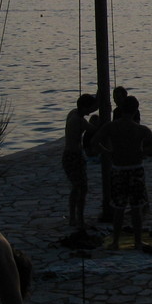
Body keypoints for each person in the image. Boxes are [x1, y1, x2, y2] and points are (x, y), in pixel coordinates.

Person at [89, 96, 152, 250]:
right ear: (136, 110)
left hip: (118, 169)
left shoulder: (111, 127)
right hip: (135, 169)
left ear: (121, 109)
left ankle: (115, 241)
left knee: (119, 208)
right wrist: (143, 152)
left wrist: (108, 153)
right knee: (136, 208)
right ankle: (137, 241)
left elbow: (94, 142)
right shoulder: (141, 129)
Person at [62, 93, 99, 230]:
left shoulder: (72, 113)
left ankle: (73, 218)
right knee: (82, 189)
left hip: (67, 156)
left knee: (75, 188)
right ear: (84, 107)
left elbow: (94, 105)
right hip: (74, 157)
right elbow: (96, 130)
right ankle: (81, 220)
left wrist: (98, 94)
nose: (90, 112)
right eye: (89, 109)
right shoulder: (80, 121)